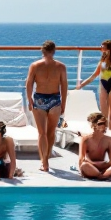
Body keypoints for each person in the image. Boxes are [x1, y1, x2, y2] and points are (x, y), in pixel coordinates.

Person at [25, 41, 68, 173]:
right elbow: (64, 86)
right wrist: (63, 103)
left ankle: (44, 162)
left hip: (40, 99)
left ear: (42, 51)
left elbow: (29, 83)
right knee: (51, 132)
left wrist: (30, 100)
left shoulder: (35, 65)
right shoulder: (61, 66)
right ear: (54, 51)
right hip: (55, 99)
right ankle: (47, 157)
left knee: (42, 133)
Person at [77, 40, 111, 131]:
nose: (100, 48)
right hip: (103, 83)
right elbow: (94, 75)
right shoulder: (102, 59)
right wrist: (81, 85)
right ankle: (104, 132)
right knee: (104, 114)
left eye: (102, 46)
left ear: (108, 48)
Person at [78, 113, 111, 180]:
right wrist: (87, 167)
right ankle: (103, 174)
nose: (103, 126)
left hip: (103, 166)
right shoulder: (85, 139)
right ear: (93, 125)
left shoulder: (110, 140)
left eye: (104, 123)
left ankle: (104, 175)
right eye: (100, 124)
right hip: (91, 165)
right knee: (84, 165)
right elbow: (81, 158)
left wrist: (105, 164)